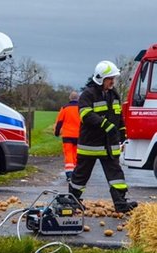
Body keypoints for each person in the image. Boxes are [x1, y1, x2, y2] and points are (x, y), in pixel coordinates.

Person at [68, 61, 138, 213]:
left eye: (113, 78)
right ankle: (72, 201)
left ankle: (120, 204)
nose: (112, 81)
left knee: (116, 175)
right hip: (90, 145)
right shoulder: (88, 94)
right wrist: (105, 124)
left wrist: (122, 132)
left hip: (109, 146)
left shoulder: (114, 94)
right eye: (109, 78)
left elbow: (119, 116)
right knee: (81, 175)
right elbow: (85, 114)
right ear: (101, 79)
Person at [54, 91, 80, 181]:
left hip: (67, 135)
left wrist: (57, 132)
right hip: (79, 135)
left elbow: (59, 122)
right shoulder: (81, 109)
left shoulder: (65, 108)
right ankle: (76, 172)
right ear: (78, 98)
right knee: (76, 154)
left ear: (70, 98)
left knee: (68, 153)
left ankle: (69, 173)